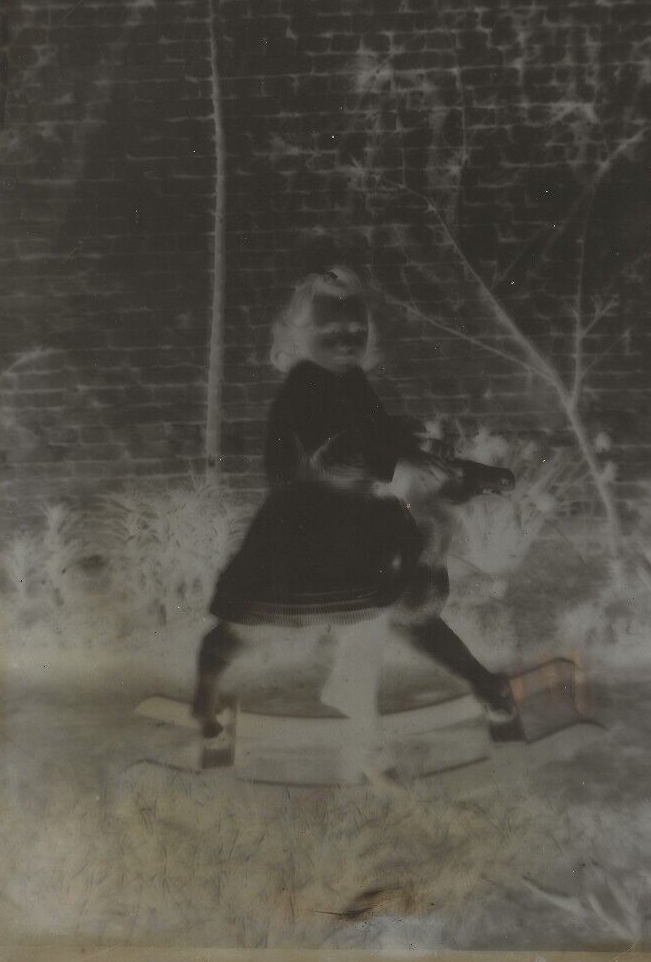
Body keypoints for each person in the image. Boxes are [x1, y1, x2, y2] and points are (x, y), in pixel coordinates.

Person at [190, 267, 515, 737]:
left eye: (356, 329)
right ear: (300, 339)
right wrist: (397, 463)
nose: (347, 340)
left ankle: (477, 681)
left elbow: (376, 433)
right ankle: (205, 693)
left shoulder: (351, 381)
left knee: (406, 606)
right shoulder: (304, 385)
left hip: (361, 524)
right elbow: (336, 452)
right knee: (247, 625)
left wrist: (417, 446)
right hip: (309, 526)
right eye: (330, 331)